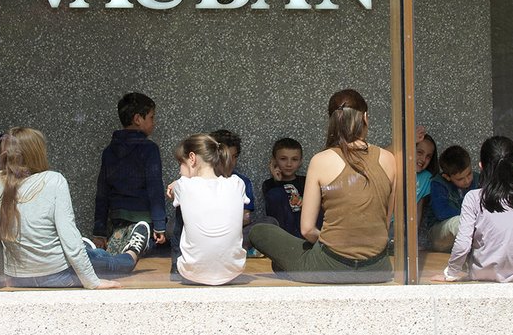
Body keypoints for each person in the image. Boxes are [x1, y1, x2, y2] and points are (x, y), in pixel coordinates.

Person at [249, 89, 395, 284]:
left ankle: (297, 267)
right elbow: (385, 222)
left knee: (260, 230)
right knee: (294, 256)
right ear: (366, 118)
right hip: (379, 268)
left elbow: (307, 230)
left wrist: (335, 242)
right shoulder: (389, 159)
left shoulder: (321, 160)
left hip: (331, 266)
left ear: (332, 121)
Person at [0, 127, 148, 289]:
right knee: (109, 263)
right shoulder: (53, 180)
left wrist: (4, 277)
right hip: (58, 275)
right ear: (37, 153)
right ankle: (132, 253)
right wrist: (92, 283)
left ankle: (88, 248)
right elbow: (70, 239)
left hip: (18, 278)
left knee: (94, 254)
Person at [436, 136, 513, 283]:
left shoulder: (473, 198)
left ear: (481, 166)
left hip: (482, 278)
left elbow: (463, 244)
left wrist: (450, 273)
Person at [93, 92, 167, 253]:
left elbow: (102, 192)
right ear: (138, 119)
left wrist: (99, 230)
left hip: (117, 220)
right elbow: (155, 187)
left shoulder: (109, 151)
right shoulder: (149, 149)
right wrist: (160, 224)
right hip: (144, 221)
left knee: (119, 254)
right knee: (141, 258)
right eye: (152, 117)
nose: (154, 123)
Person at [169, 134, 248, 285]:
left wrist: (174, 186)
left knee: (179, 211)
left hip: (191, 273)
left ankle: (175, 267)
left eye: (181, 163)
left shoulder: (183, 185)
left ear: (192, 158)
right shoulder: (237, 183)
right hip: (233, 271)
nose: (180, 171)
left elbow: (174, 190)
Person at [427, 145, 476, 252]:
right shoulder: (438, 183)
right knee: (457, 223)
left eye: (469, 174)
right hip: (441, 233)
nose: (467, 181)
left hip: (470, 230)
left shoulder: (478, 179)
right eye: (460, 179)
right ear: (447, 177)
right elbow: (442, 212)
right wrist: (471, 216)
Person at [262, 137, 305, 239]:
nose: (289, 164)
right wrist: (277, 181)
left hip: (304, 228)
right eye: (283, 159)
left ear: (300, 162)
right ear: (274, 161)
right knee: (275, 194)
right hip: (284, 231)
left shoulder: (305, 181)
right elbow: (275, 210)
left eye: (294, 159)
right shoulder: (269, 184)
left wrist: (306, 204)